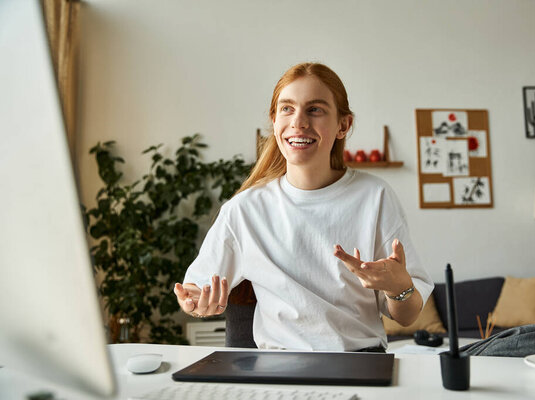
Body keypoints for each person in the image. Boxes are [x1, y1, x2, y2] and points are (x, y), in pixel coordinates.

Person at [174, 62, 433, 351]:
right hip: (278, 370)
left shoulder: (375, 196)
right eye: (286, 108)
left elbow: (408, 316)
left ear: (343, 125)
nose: (298, 122)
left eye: (315, 109)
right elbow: (195, 290)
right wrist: (197, 304)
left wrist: (399, 288)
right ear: (274, 121)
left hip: (361, 363)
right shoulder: (244, 210)